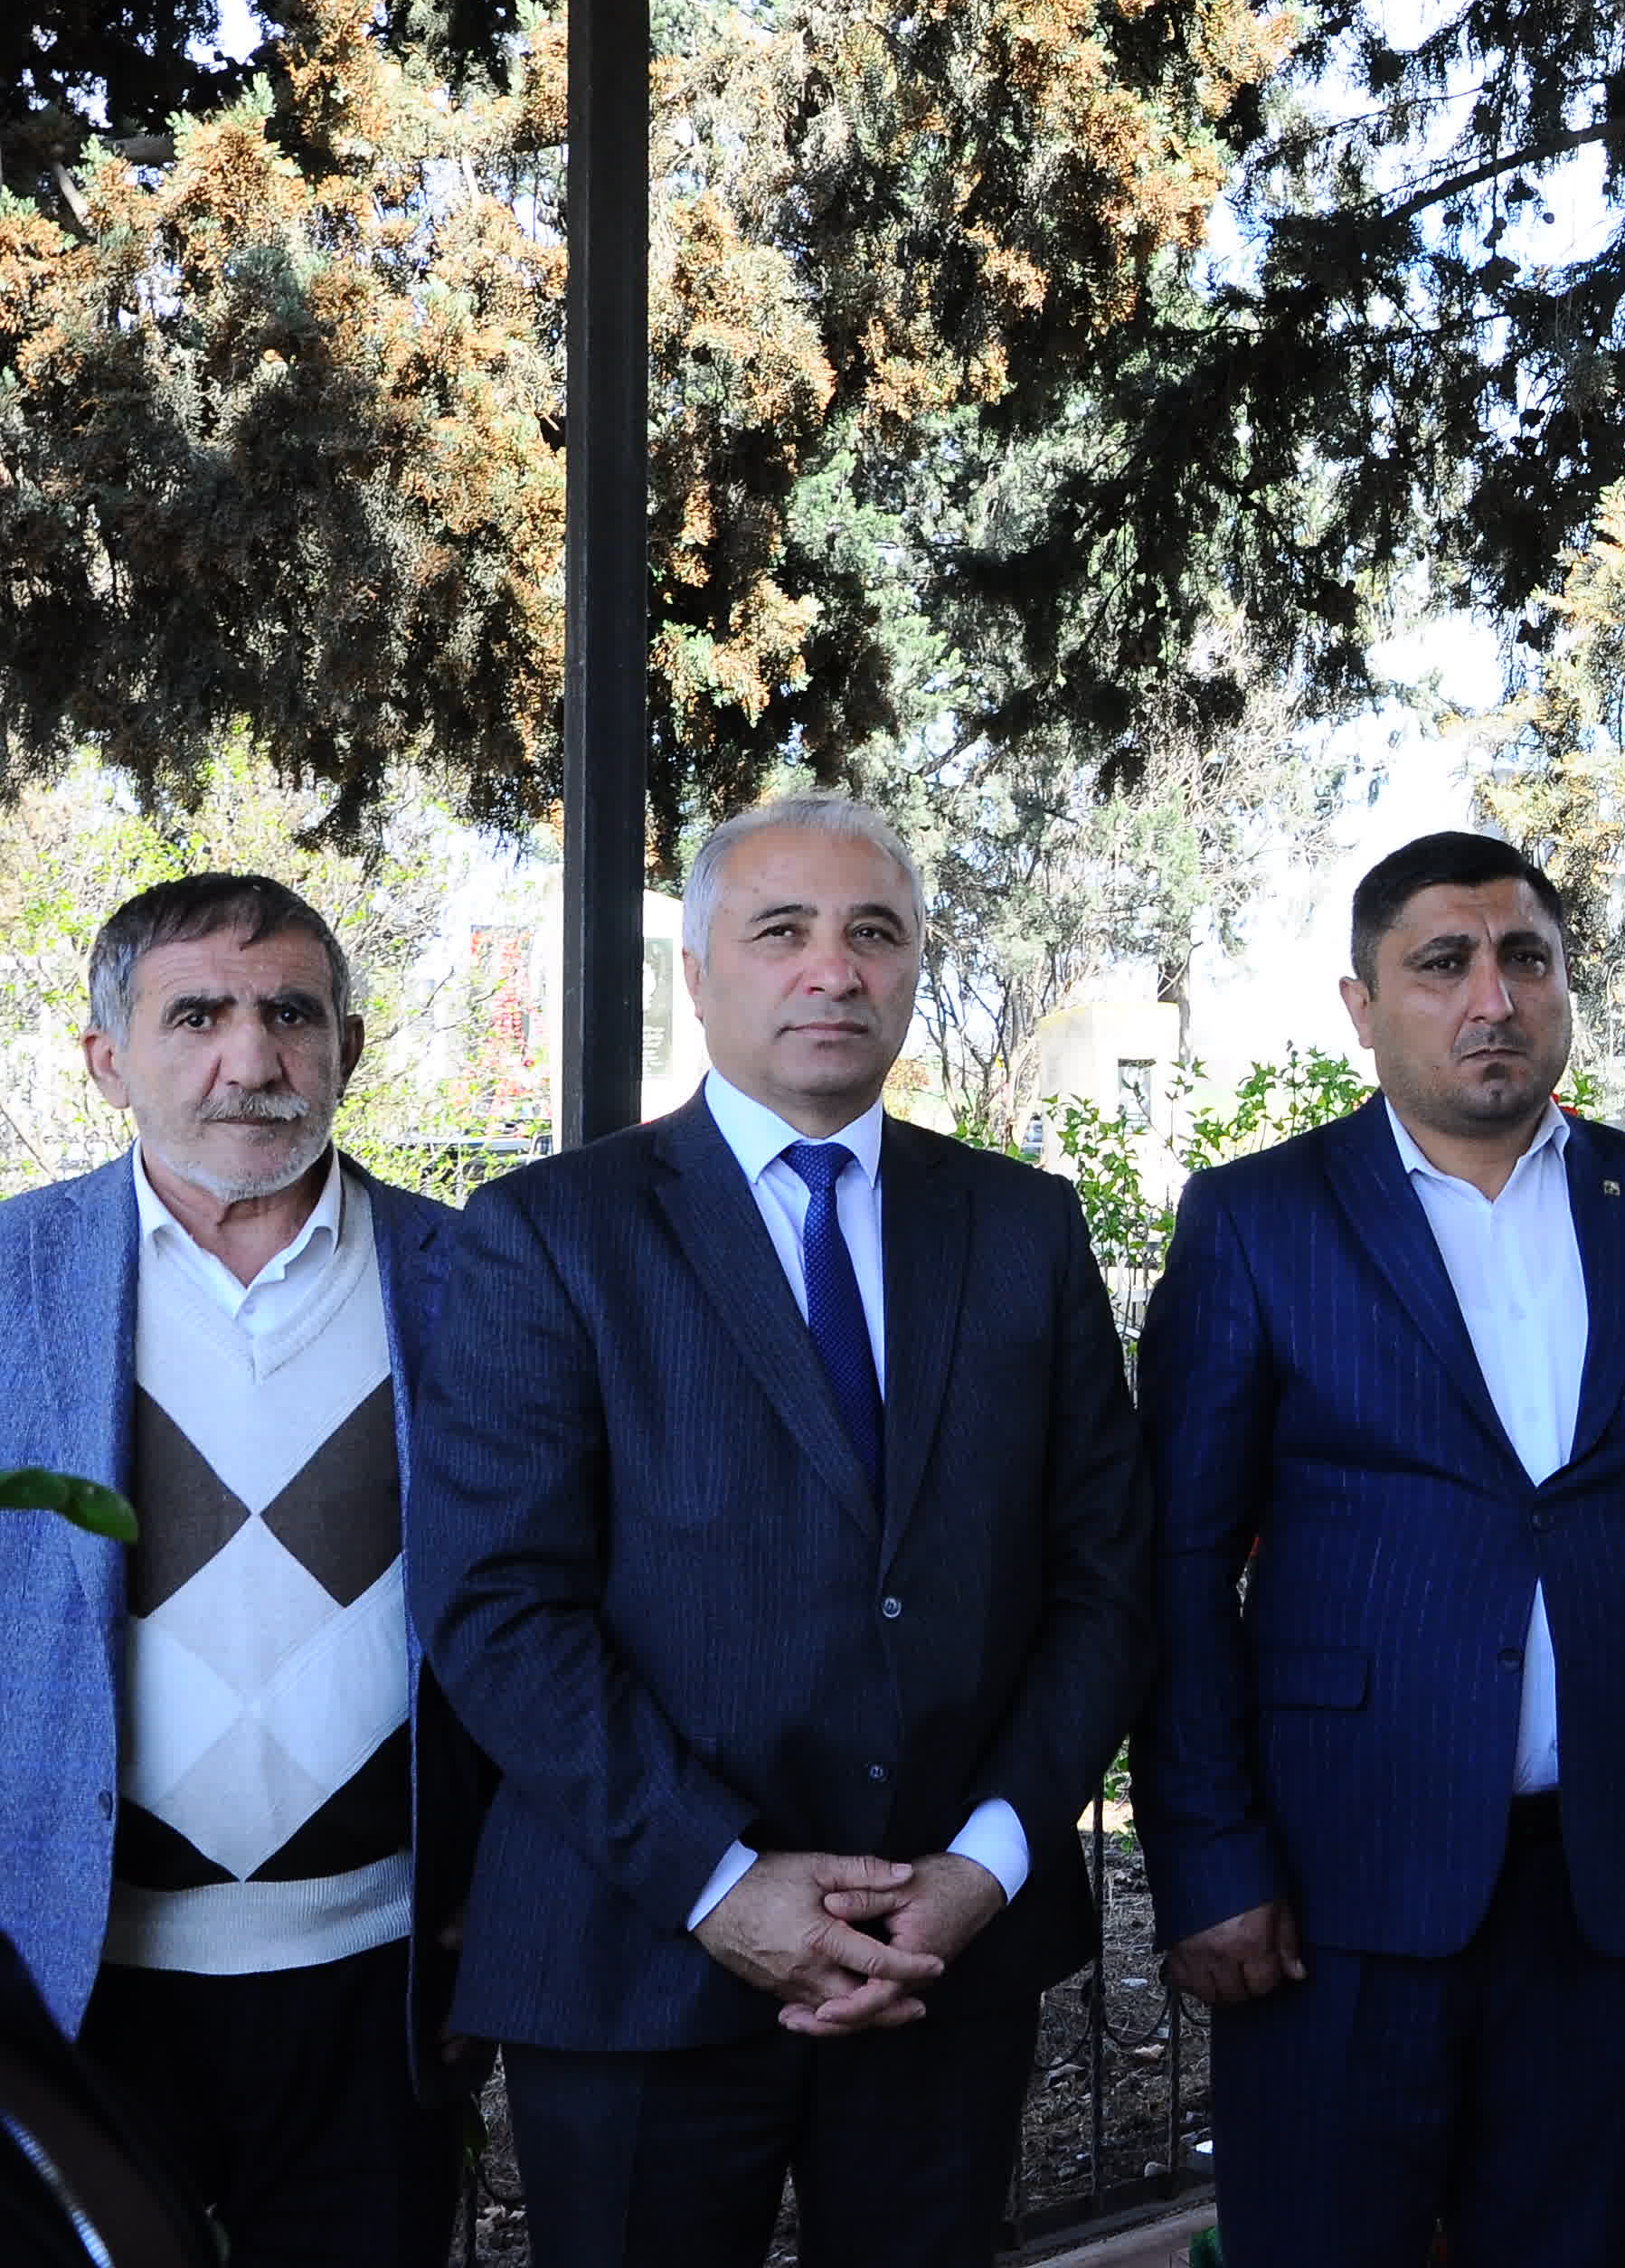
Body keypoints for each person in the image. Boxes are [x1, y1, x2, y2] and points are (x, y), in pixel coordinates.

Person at [411, 793, 1151, 2268]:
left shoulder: (1022, 1229)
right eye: (782, 930)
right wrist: (718, 1880)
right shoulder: (548, 1231)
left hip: (941, 1957)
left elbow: (1104, 1577)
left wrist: (986, 1863)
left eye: (874, 932)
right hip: (635, 1955)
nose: (834, 968)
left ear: (914, 966)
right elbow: (498, 1606)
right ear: (698, 973)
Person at [1131, 831, 1625, 2268]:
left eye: (1526, 960)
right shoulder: (1260, 1221)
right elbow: (1177, 1562)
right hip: (1338, 1886)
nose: (1492, 999)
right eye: (1442, 963)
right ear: (1363, 1003)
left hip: (1607, 1875)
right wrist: (1205, 1855)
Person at [0, 874, 477, 2268]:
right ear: (108, 1061)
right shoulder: (12, 1281)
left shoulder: (470, 1276)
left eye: (291, 1015)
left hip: (379, 1985)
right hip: (77, 1981)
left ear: (348, 1047)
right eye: (197, 1016)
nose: (252, 1058)